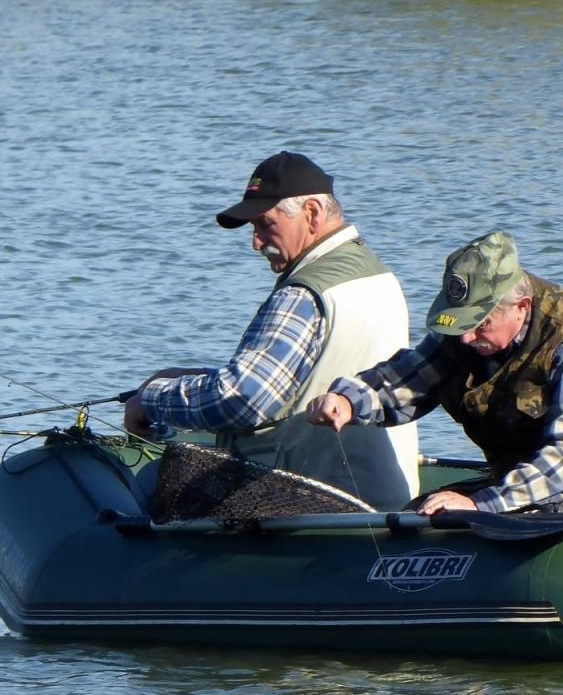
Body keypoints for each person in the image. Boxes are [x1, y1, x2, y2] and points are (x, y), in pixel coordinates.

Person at [305, 230, 563, 530]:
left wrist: (480, 505)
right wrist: (349, 399)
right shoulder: (467, 337)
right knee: (421, 514)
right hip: (526, 480)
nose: (467, 338)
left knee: (546, 514)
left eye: (480, 325)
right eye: (461, 326)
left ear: (521, 307)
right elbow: (409, 378)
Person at [123, 151, 419, 509]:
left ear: (312, 213)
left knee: (143, 487)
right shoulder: (378, 276)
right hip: (388, 497)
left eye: (265, 224)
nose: (256, 243)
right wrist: (190, 377)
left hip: (308, 504)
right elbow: (309, 373)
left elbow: (244, 400)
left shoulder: (304, 293)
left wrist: (151, 398)